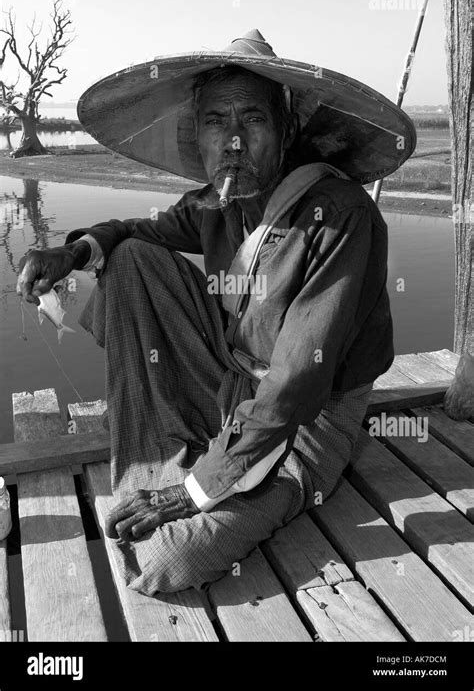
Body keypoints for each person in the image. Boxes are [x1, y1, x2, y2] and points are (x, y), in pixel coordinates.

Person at [16, 29, 415, 596]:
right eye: (215, 121)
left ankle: (206, 471)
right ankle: (182, 445)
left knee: (161, 561)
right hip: (233, 379)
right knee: (130, 260)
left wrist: (189, 493)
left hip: (306, 420)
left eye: (252, 120)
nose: (233, 142)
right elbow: (135, 230)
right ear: (197, 133)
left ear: (285, 128)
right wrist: (73, 251)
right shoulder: (217, 199)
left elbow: (297, 384)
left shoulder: (341, 216)